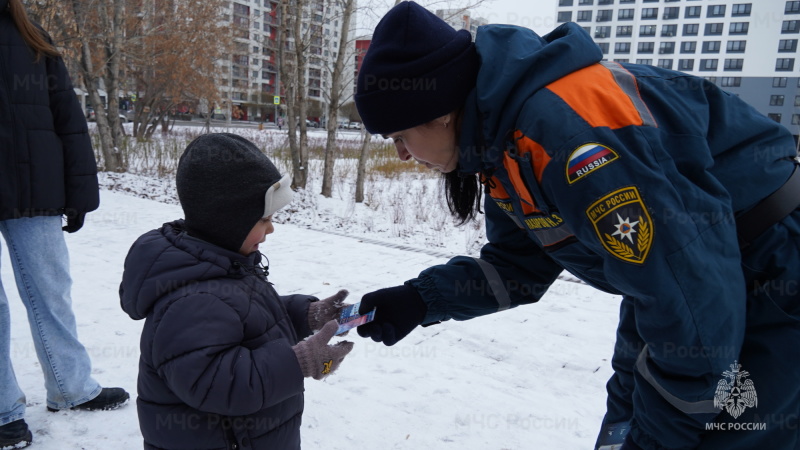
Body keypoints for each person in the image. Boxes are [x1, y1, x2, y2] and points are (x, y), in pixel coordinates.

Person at [353, 2, 800, 449]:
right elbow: (518, 265)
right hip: (672, 284)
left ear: (440, 113)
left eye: (399, 137)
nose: (402, 155)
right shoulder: (503, 143)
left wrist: (661, 437)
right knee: (627, 427)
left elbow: (692, 297)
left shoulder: (571, 138)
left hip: (764, 271)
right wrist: (417, 300)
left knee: (712, 429)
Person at [119, 133, 355, 449]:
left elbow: (247, 319)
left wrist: (308, 314)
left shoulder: (225, 263)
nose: (272, 228)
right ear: (228, 221)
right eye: (264, 218)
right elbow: (219, 383)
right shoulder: (188, 302)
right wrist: (298, 362)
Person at [0, 0, 130, 448]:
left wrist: (79, 191)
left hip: (34, 187)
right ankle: (2, 411)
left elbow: (67, 119)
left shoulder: (30, 33)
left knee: (51, 290)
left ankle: (71, 388)